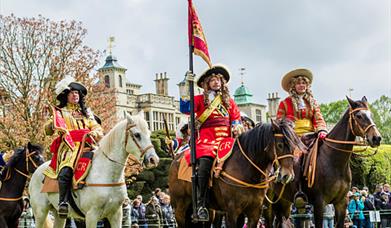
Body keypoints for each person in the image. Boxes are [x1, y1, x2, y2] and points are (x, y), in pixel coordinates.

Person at [179, 65, 244, 221]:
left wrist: (237, 126)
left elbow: (236, 118)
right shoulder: (200, 99)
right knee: (205, 163)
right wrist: (185, 88)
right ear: (206, 83)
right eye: (212, 80)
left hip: (227, 140)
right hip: (207, 140)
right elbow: (185, 108)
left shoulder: (229, 102)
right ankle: (201, 204)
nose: (216, 82)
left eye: (218, 80)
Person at [43, 75, 103, 218]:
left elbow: (97, 127)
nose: (75, 95)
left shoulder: (86, 112)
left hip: (89, 144)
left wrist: (94, 132)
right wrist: (50, 122)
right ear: (66, 95)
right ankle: (63, 202)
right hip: (70, 147)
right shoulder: (59, 112)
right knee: (65, 171)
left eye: (77, 93)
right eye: (72, 92)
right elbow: (48, 131)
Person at [277, 68, 327, 139]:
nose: (301, 85)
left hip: (311, 134)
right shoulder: (284, 103)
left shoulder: (313, 102)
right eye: (298, 83)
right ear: (293, 86)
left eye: (303, 83)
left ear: (307, 86)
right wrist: (288, 122)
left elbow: (319, 119)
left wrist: (322, 130)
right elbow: (279, 120)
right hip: (292, 136)